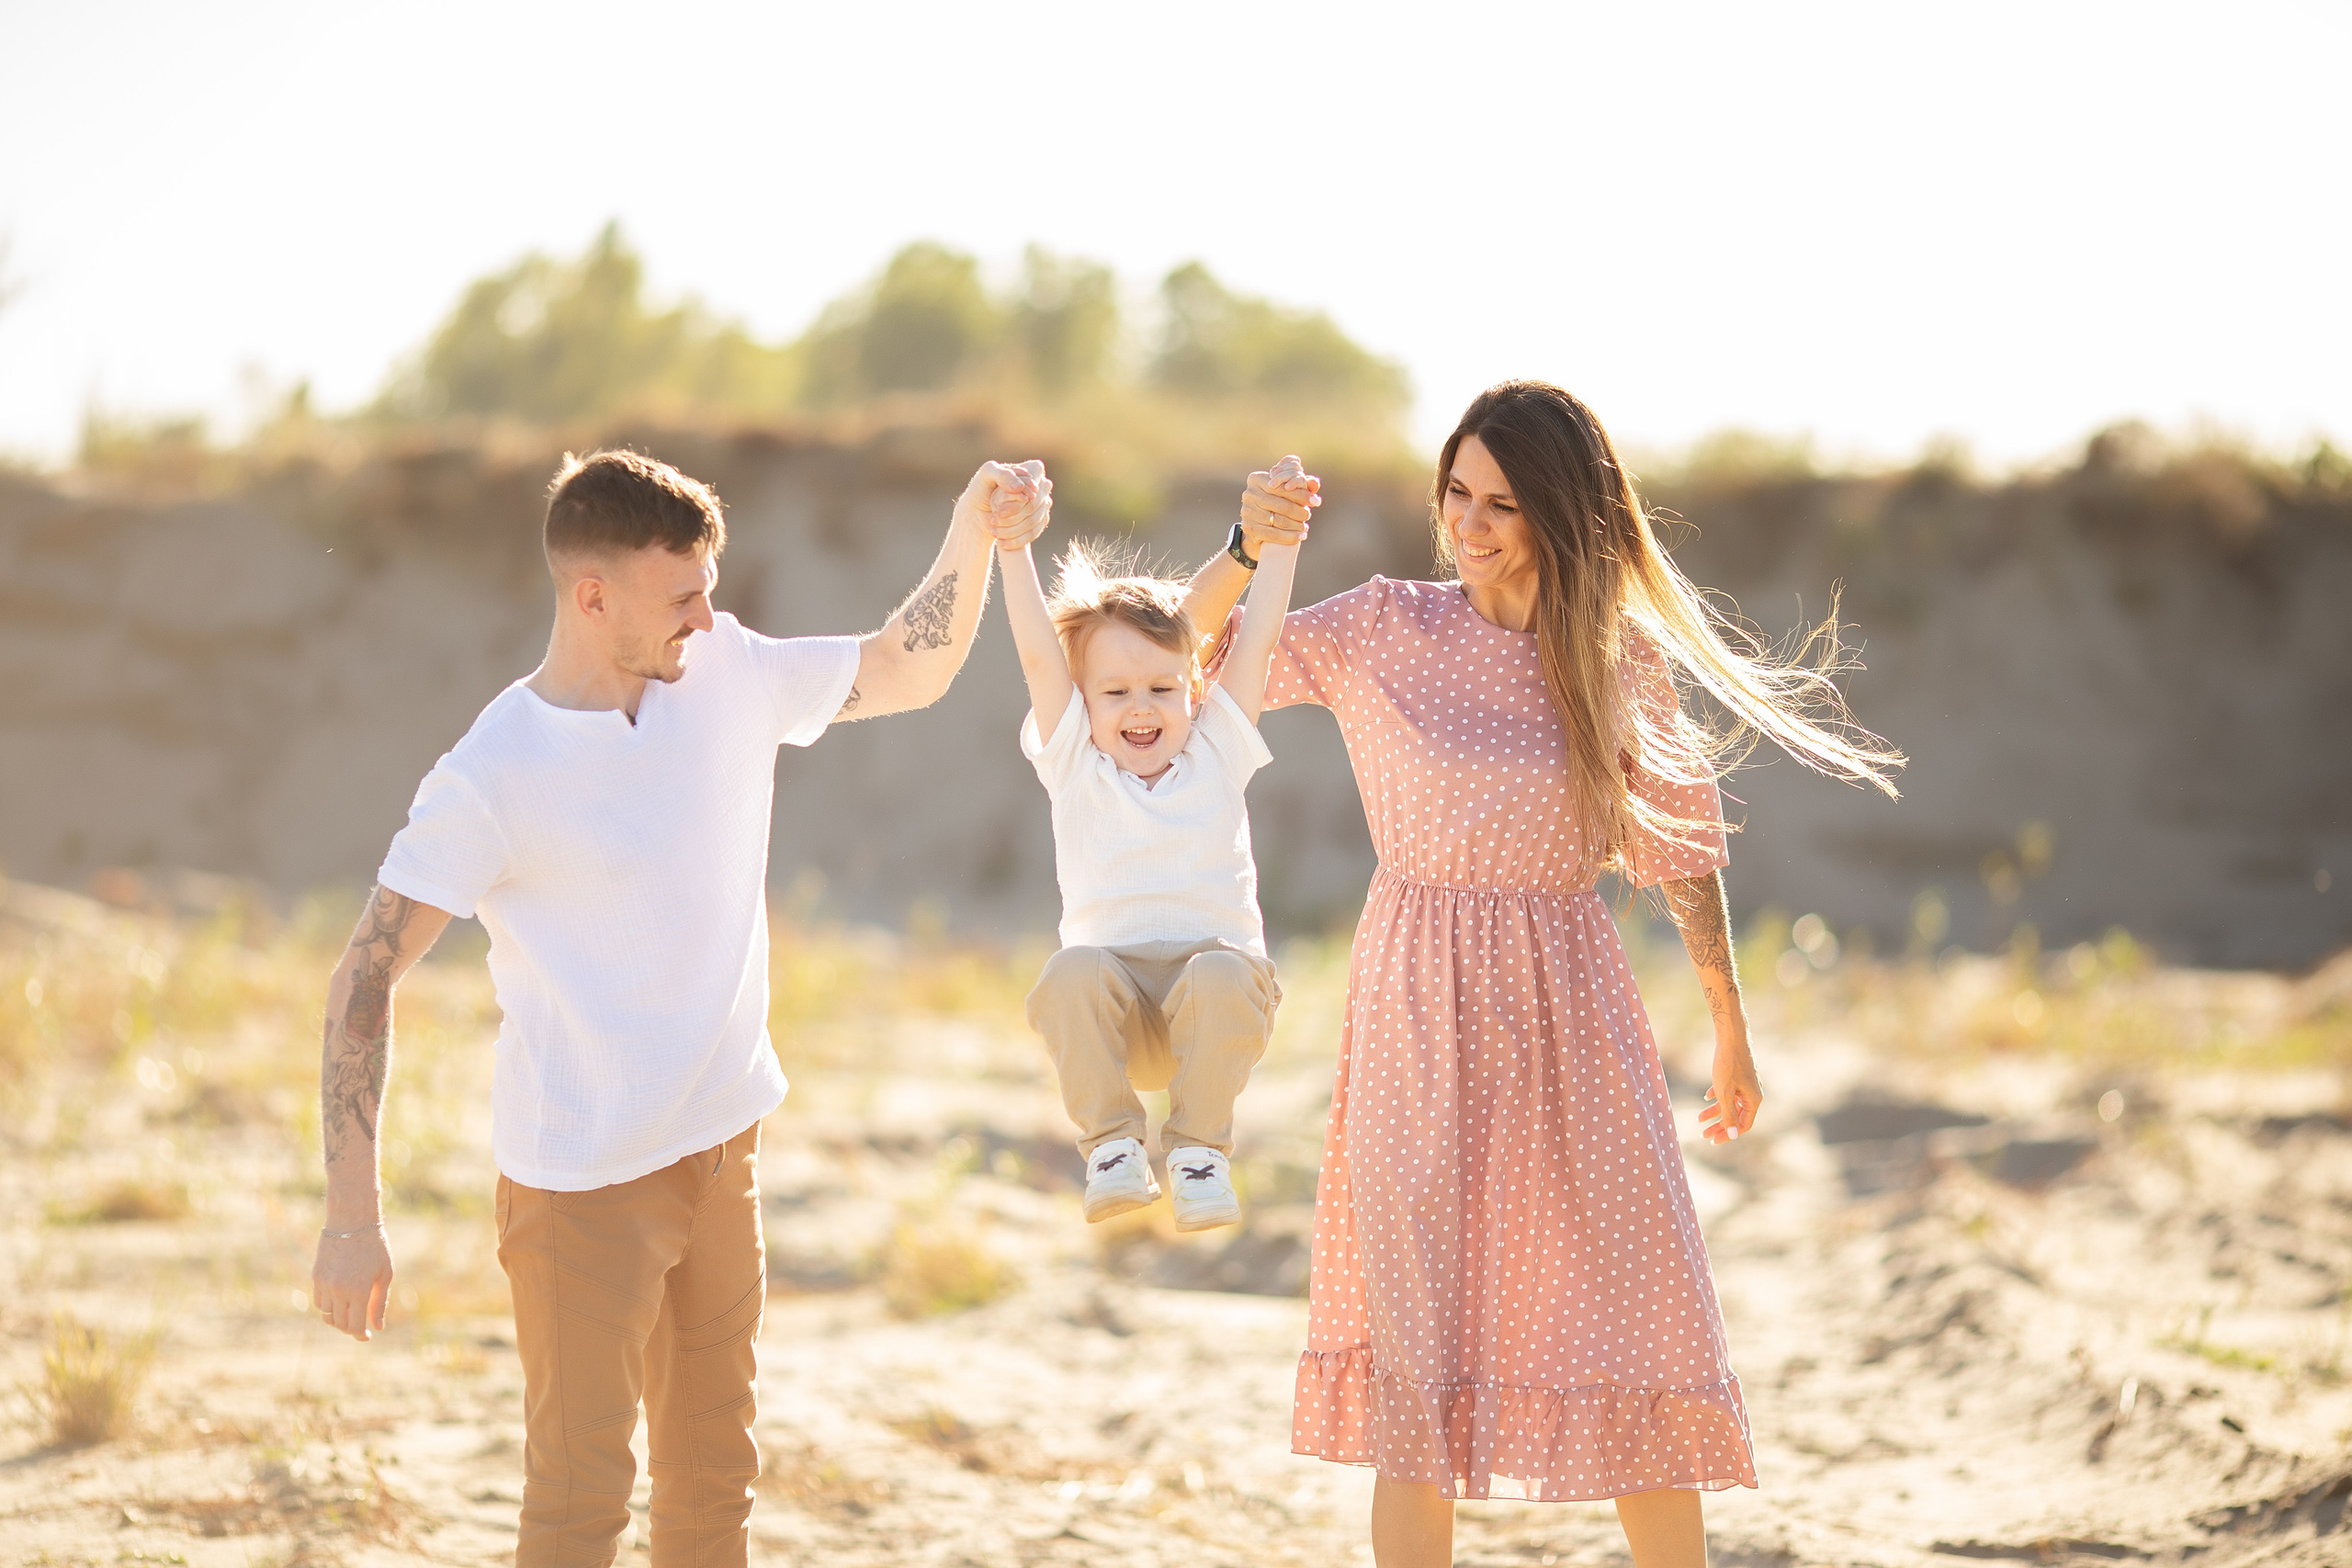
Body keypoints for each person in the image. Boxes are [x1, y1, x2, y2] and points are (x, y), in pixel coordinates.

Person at [1182, 383, 1904, 1568]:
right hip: (1414, 999)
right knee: (1414, 1354)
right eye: (1457, 495)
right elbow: (1187, 674)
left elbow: (1681, 848)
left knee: (1636, 1318)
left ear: (1562, 514)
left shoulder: (1614, 655)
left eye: (1503, 504)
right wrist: (1241, 548)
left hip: (1573, 1010)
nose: (1470, 524)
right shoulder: (1380, 626)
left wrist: (1728, 1021)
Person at [307, 447, 1049, 1566]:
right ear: (590, 594)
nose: (706, 616)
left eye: (708, 588)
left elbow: (909, 666)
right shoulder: (492, 773)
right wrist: (353, 1217)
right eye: (682, 595)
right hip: (579, 1189)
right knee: (578, 1503)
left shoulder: (727, 668)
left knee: (713, 1493)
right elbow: (363, 983)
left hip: (718, 1151)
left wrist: (971, 531)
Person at [999, 457, 1313, 1231]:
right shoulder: (1074, 761)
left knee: (1219, 974)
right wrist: (1012, 546)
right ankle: (1112, 1146)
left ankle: (1199, 1151)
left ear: (1193, 691)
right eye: (1114, 692)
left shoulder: (1216, 750)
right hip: (1123, 1012)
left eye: (1162, 689)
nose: (1141, 707)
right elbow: (1040, 652)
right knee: (1069, 972)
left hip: (1217, 1005)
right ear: (1083, 702)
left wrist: (1283, 541)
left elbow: (1260, 635)